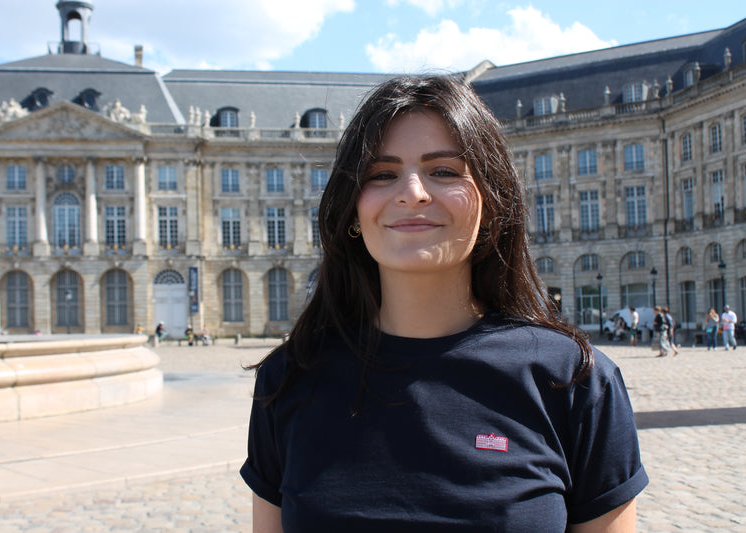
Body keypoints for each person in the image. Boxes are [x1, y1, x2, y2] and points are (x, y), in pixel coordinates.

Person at [240, 75, 647, 532]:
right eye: (382, 173)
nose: (412, 191)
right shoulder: (290, 378)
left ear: (492, 204)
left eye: (444, 171)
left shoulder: (574, 382)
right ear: (354, 210)